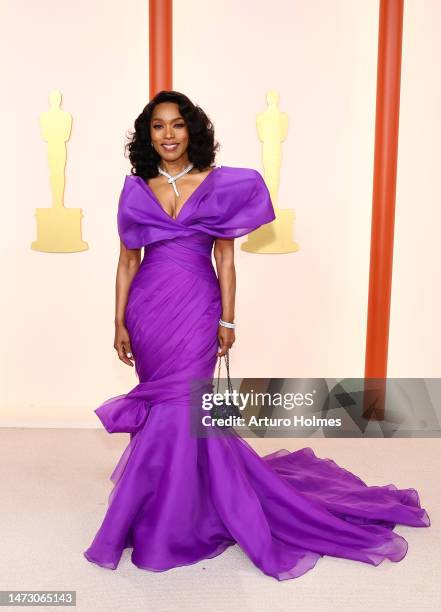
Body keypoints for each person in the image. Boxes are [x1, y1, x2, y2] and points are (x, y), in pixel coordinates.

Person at [83, 90, 430, 581]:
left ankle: (175, 519)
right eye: (158, 126)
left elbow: (225, 259)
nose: (168, 135)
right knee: (165, 408)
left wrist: (227, 319)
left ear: (192, 131)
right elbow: (125, 262)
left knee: (187, 403)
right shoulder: (136, 190)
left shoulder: (217, 186)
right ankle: (169, 507)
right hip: (148, 311)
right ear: (147, 135)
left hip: (198, 306)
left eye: (177, 125)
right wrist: (118, 320)